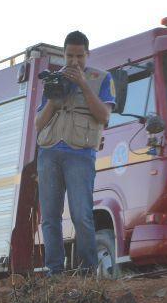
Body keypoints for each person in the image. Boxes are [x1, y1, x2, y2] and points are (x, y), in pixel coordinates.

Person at [34, 30, 115, 276]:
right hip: (49, 153)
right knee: (50, 217)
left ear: (87, 54)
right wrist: (54, 98)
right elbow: (39, 123)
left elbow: (104, 116)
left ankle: (88, 270)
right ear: (64, 54)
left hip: (80, 154)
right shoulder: (54, 78)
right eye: (70, 56)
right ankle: (55, 272)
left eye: (79, 56)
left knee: (81, 215)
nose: (74, 61)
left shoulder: (101, 78)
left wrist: (82, 84)